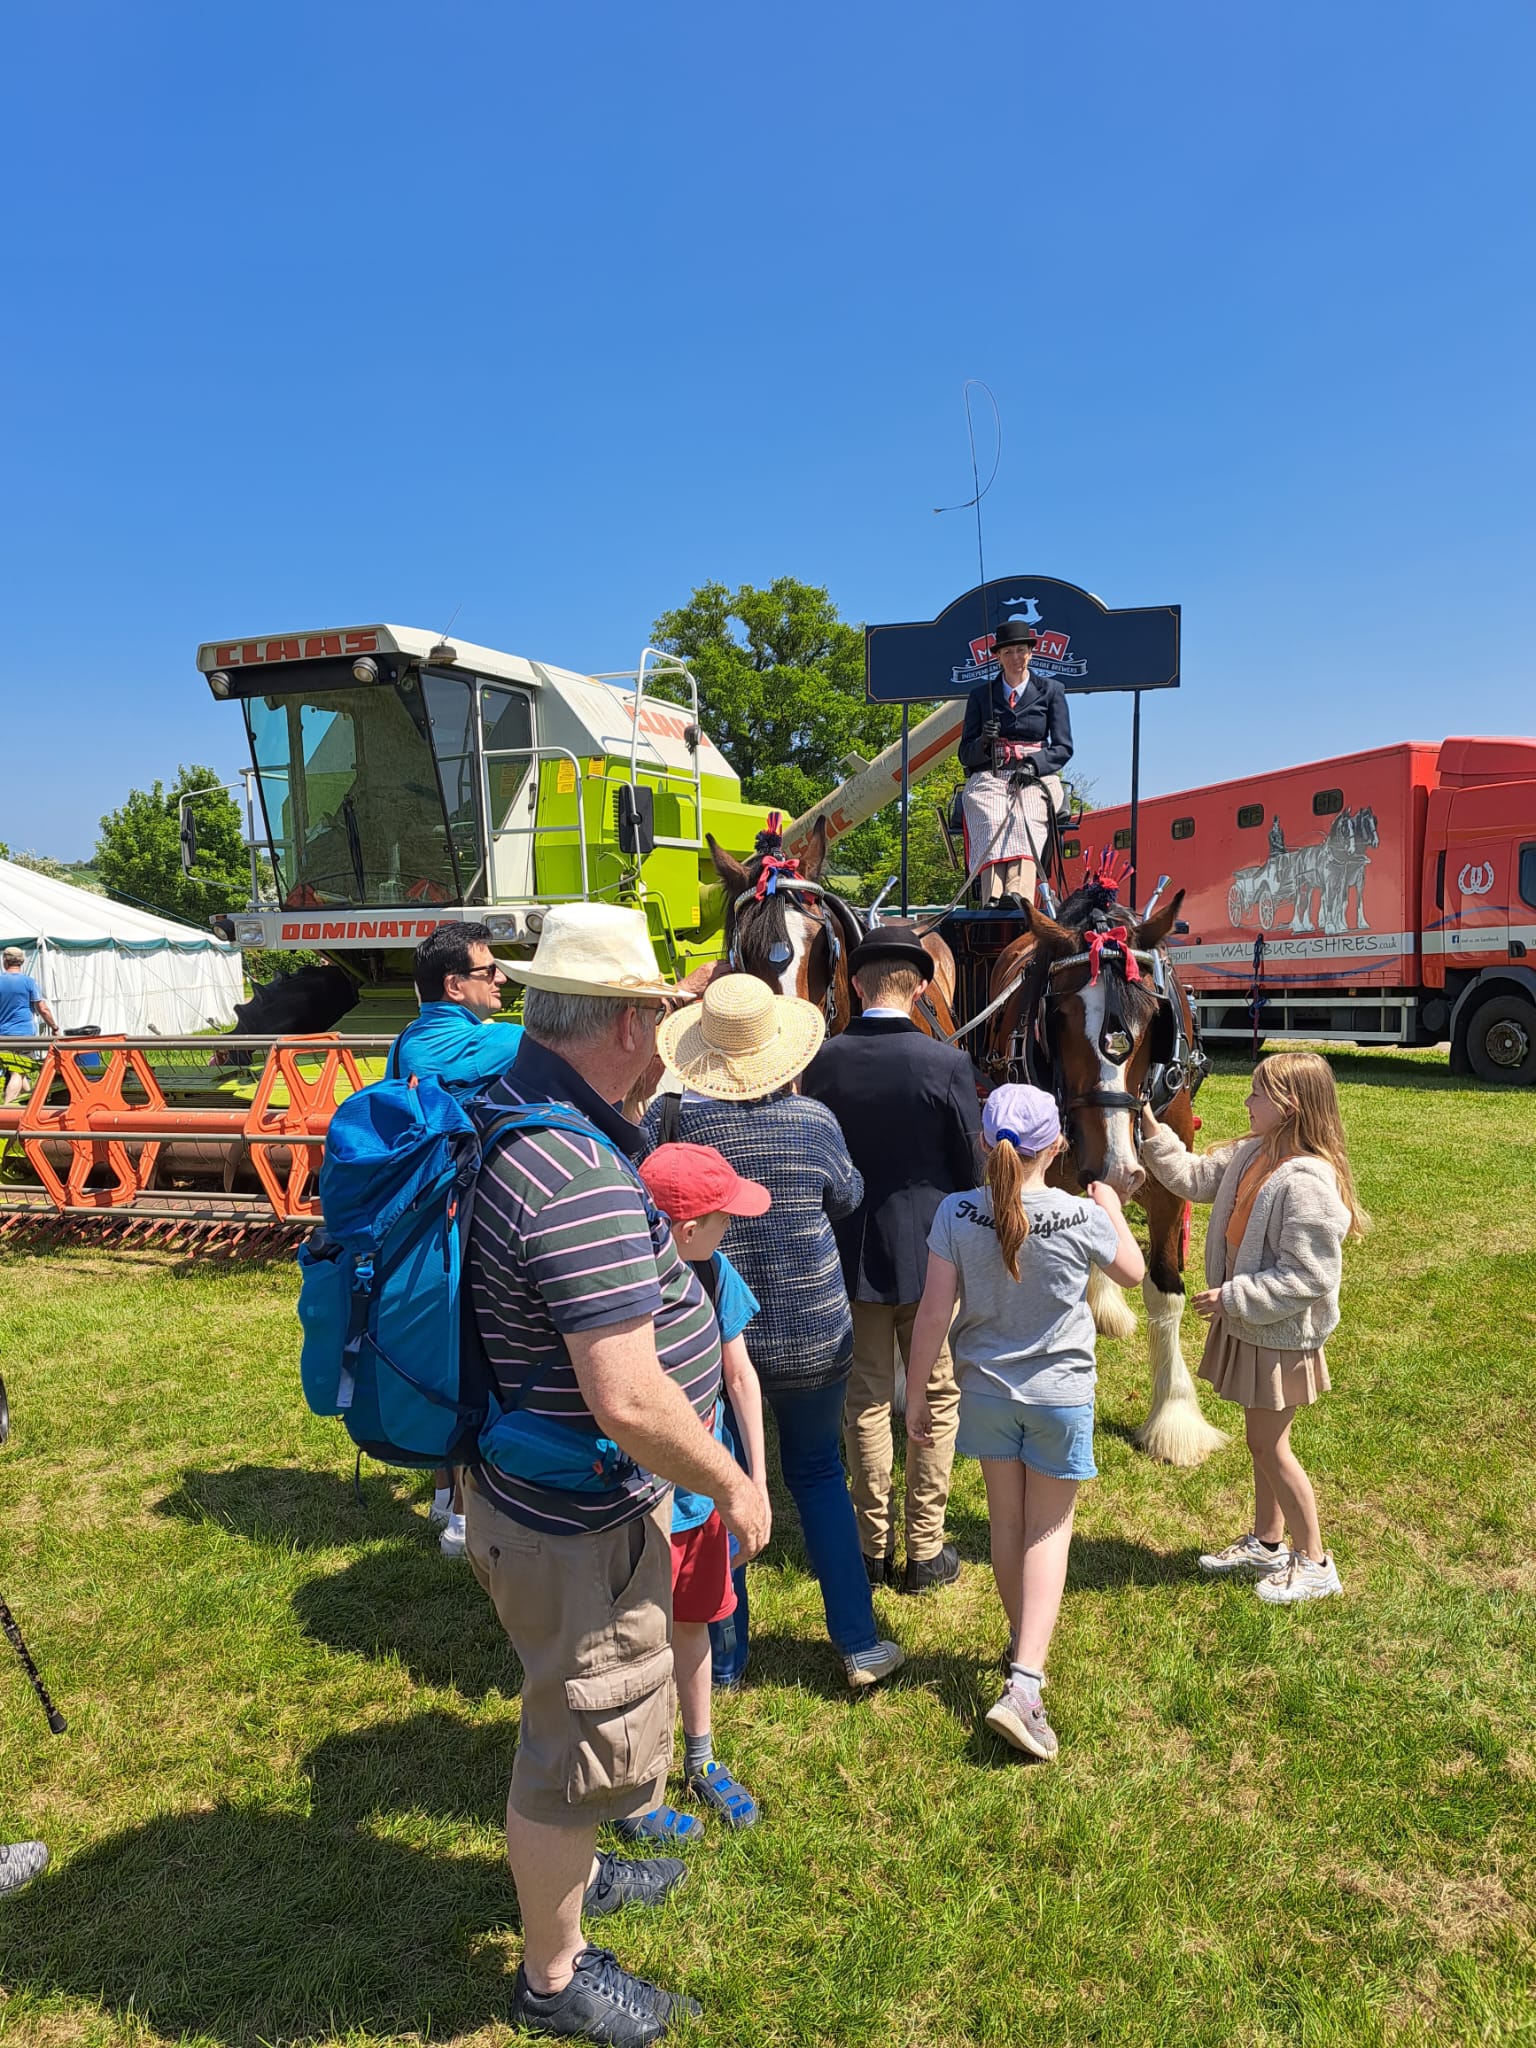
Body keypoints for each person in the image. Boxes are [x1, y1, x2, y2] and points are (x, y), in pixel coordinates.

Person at [461, 904, 771, 2047]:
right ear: (634, 1023)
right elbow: (631, 1394)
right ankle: (554, 1977)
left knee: (582, 1723)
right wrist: (735, 1486)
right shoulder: (576, 1170)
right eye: (659, 1011)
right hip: (574, 1523)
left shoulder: (525, 1107)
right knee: (568, 1750)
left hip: (543, 1498)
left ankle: (581, 1878)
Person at [644, 974, 905, 1692]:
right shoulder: (813, 1121)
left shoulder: (681, 1127)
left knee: (720, 1485)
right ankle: (857, 1642)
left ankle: (724, 1660)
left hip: (713, 1341)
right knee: (820, 1474)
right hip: (816, 1330)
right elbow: (848, 1195)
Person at [905, 1084, 1143, 1761]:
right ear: (1058, 1145)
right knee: (1049, 1529)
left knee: (1007, 1526)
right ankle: (1026, 1683)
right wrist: (1115, 1210)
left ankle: (1021, 1647)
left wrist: (920, 1393)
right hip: (1059, 1398)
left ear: (985, 1143)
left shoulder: (955, 1212)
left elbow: (931, 1314)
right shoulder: (1080, 1214)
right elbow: (1131, 1272)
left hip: (984, 1394)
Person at [1139, 1051, 1366, 1605]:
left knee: (1269, 1446)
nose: (1246, 1102)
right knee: (1262, 1441)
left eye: (1257, 1094)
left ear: (1287, 1107)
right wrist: (1147, 1125)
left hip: (1281, 1337)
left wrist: (1235, 1297)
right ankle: (1268, 1543)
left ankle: (1314, 1561)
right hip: (1255, 1330)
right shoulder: (1252, 1153)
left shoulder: (1307, 1182)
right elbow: (1192, 1177)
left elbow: (1308, 1277)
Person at [800, 923, 981, 1593]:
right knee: (934, 1395)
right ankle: (925, 1548)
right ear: (923, 984)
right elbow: (970, 1167)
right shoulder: (947, 1064)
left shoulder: (822, 1062)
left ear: (853, 984)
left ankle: (870, 1548)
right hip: (936, 1256)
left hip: (849, 1252)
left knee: (866, 1402)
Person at [621, 1141, 772, 1841]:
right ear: (685, 1230)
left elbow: (740, 1377)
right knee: (633, 1643)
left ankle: (702, 1758)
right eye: (723, 1218)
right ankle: (634, 1786)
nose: (731, 1229)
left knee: (695, 1623)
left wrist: (755, 1482)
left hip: (702, 1497)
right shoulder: (623, 1289)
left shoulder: (716, 1275)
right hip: (635, 1505)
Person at [390, 922, 525, 1559]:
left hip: (431, 1227)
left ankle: (447, 1497)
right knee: (469, 1358)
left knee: (446, 1353)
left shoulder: (413, 1039)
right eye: (489, 970)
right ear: (454, 985)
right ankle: (464, 1521)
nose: (501, 979)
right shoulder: (453, 1044)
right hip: (456, 1229)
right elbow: (538, 1036)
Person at [956, 616, 1073, 909]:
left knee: (1025, 815)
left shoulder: (1052, 691)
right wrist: (983, 742)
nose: (1015, 658)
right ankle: (992, 896)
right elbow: (964, 755)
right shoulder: (981, 696)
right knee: (993, 815)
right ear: (998, 657)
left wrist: (1034, 765)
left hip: (1034, 775)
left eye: (1021, 650)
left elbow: (1063, 747)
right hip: (991, 777)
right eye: (1008, 652)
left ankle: (1019, 894)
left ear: (1031, 653)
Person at [0, 948, 57, 1107]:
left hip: (3, 1035)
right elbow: (42, 1008)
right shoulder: (29, 982)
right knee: (18, 1072)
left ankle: (31, 1105)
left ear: (5, 961)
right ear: (22, 962)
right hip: (24, 1035)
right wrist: (54, 1026)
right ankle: (6, 1110)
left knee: (19, 1072)